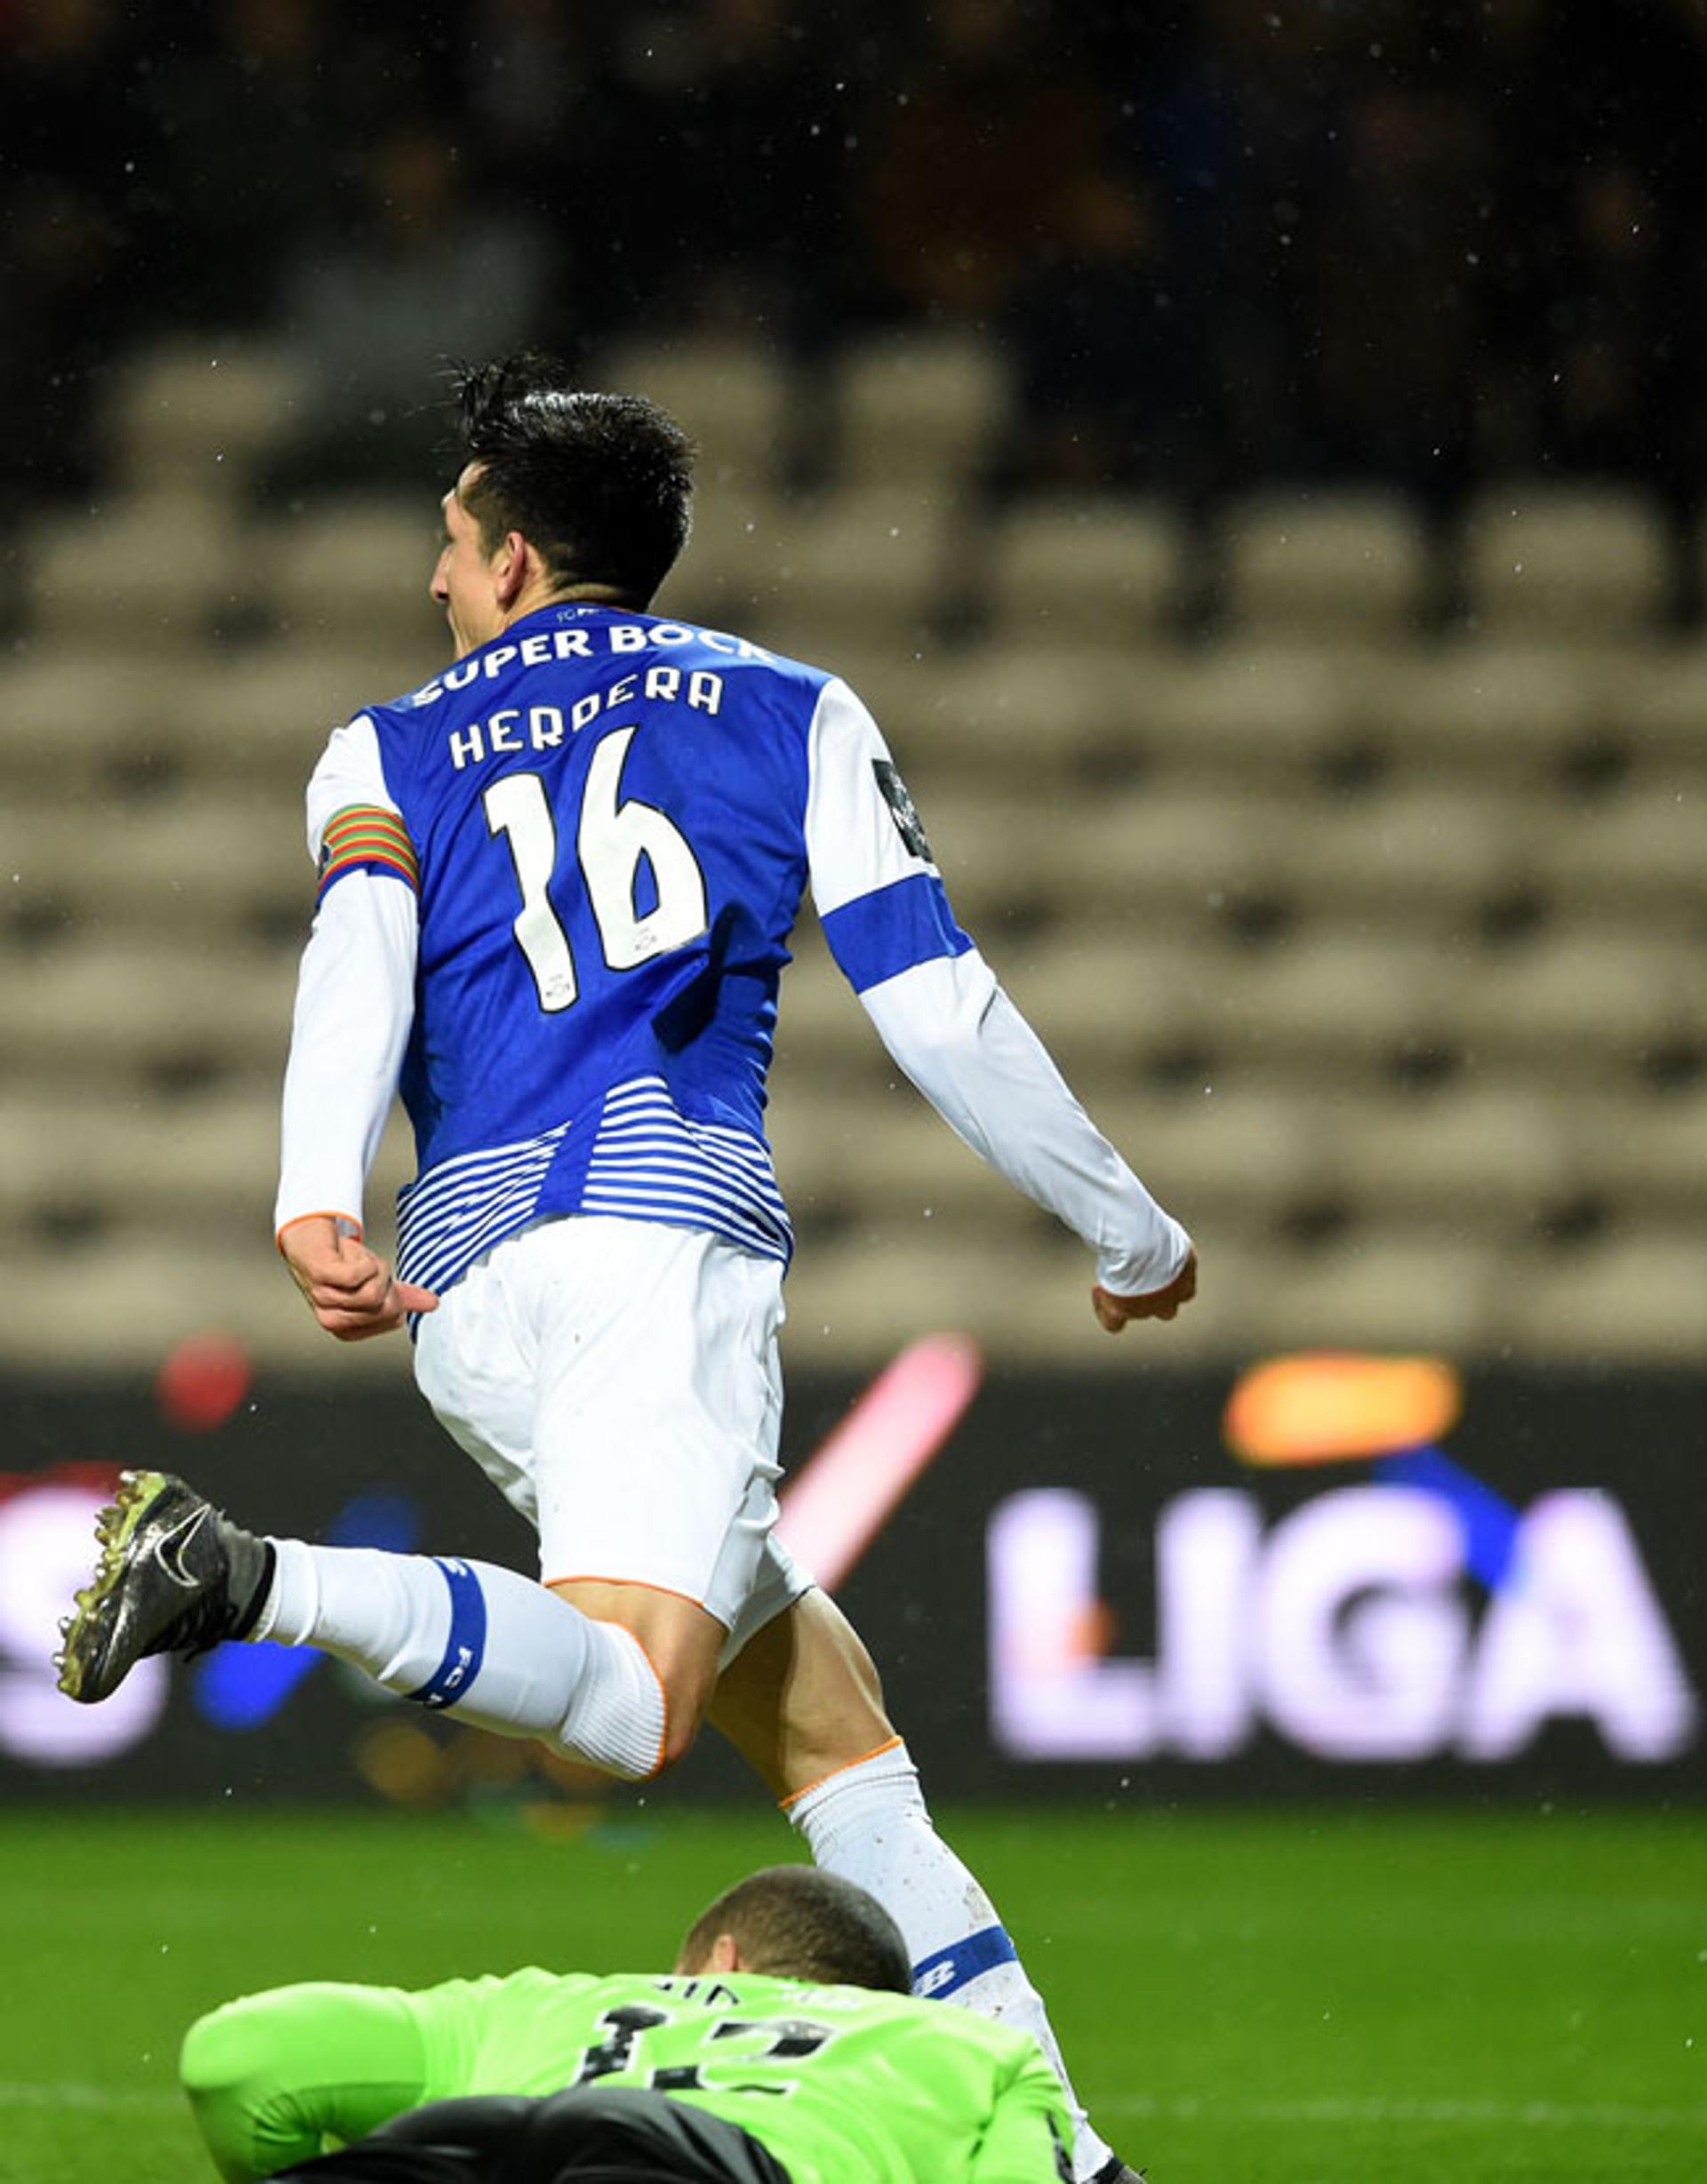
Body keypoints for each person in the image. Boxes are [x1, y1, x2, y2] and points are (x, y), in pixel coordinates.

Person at [58, 353, 1194, 2183]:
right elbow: (932, 998)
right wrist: (1131, 1223)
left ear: (513, 557)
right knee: (635, 1707)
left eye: (451, 536)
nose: (436, 575)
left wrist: (305, 1190)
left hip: (464, 1286)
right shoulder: (793, 709)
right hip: (655, 1249)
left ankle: (1064, 2157)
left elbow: (356, 954)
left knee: (829, 1724)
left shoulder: (384, 742)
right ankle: (245, 1572)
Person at [180, 1864, 1075, 2182]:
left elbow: (238, 2058)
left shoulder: (544, 2003)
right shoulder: (973, 2052)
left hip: (468, 2142)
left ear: (719, 1960)